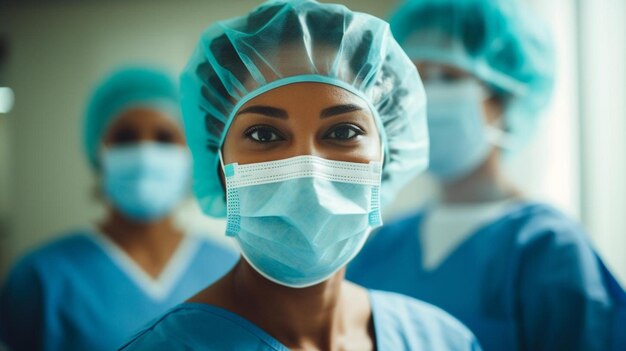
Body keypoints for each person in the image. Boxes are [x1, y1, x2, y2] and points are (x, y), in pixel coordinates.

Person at [118, 1, 483, 350]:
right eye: (264, 134)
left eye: (343, 133)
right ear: (220, 164)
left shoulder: (441, 340)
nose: (308, 169)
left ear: (387, 157)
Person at [347, 0, 625, 350]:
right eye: (414, 79)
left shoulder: (547, 248)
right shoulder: (382, 245)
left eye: (446, 77)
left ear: (505, 98)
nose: (424, 97)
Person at [0, 67, 239, 351]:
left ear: (189, 154)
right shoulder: (42, 278)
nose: (145, 153)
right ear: (99, 152)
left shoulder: (229, 270)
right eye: (126, 138)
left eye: (164, 138)